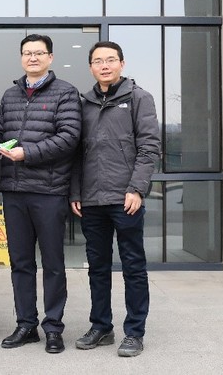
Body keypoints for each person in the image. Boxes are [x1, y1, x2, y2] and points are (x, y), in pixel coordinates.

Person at [0, 34, 81, 354]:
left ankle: (53, 327)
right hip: (14, 191)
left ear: (50, 58)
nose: (32, 58)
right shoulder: (11, 94)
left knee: (53, 263)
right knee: (21, 263)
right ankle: (26, 324)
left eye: (39, 53)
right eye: (27, 53)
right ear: (21, 58)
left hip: (49, 191)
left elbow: (69, 137)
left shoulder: (65, 92)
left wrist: (26, 153)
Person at [70, 41, 160, 357]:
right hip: (92, 200)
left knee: (133, 266)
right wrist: (76, 191)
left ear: (122, 63)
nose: (105, 65)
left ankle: (134, 332)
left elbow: (149, 147)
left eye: (110, 60)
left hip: (126, 199)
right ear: (91, 67)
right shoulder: (83, 103)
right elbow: (77, 153)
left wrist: (136, 189)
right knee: (97, 267)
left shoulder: (139, 98)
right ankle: (101, 327)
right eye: (98, 61)